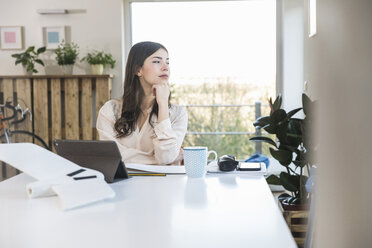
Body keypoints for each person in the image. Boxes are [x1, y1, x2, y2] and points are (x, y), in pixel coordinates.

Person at [96, 41, 188, 165]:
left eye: (167, 62)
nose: (165, 67)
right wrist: (156, 161)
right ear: (138, 69)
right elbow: (111, 157)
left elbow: (165, 157)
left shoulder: (178, 113)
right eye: (157, 61)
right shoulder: (110, 110)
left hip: (163, 184)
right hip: (121, 184)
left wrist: (163, 105)